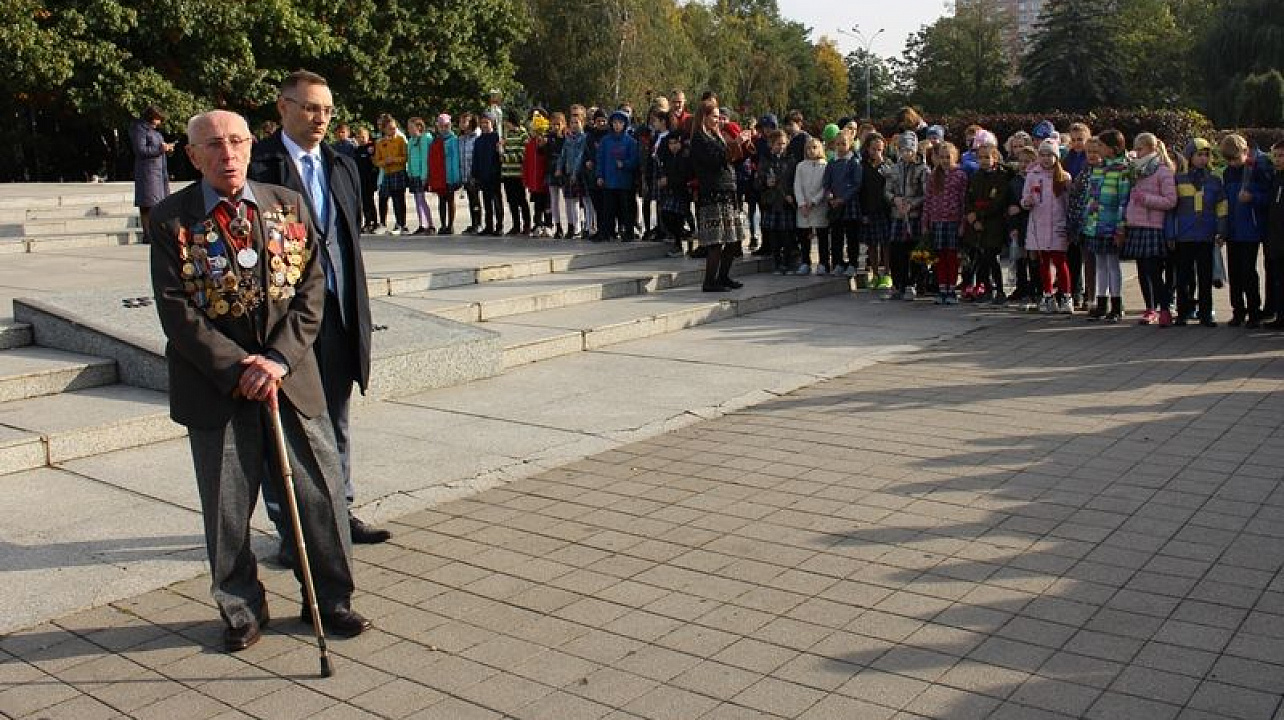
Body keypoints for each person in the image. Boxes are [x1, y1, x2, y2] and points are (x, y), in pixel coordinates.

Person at [150, 109, 370, 652]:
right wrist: (239, 367)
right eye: (213, 146)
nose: (228, 155)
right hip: (216, 387)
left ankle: (331, 598)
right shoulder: (170, 219)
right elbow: (175, 310)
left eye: (236, 142)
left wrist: (276, 359)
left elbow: (312, 289)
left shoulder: (285, 204)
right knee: (227, 508)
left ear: (251, 146)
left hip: (291, 378)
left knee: (320, 496)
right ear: (192, 155)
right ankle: (242, 608)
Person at [249, 69, 391, 567]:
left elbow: (347, 243)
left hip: (339, 312)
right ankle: (291, 529)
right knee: (285, 430)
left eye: (328, 111)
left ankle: (340, 509)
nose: (321, 119)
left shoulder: (341, 163)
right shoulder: (259, 166)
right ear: (283, 107)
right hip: (285, 321)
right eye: (311, 108)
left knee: (337, 418)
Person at [688, 95, 752, 291]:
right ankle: (710, 281)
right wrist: (735, 144)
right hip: (713, 194)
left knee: (734, 241)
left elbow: (731, 159)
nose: (718, 120)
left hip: (729, 191)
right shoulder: (699, 138)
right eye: (714, 116)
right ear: (704, 117)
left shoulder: (717, 135)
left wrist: (742, 145)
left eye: (719, 116)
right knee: (716, 241)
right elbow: (714, 160)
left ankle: (723, 277)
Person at [1168, 138, 1226, 327]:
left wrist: (1221, 229)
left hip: (1206, 234)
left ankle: (1206, 312)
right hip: (1184, 235)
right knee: (1183, 276)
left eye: (1206, 155)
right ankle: (1183, 311)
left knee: (1205, 276)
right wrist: (1170, 233)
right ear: (1189, 156)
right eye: (1199, 154)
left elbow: (1221, 206)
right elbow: (1171, 209)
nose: (1203, 158)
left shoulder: (1215, 179)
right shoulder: (1179, 178)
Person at [1121, 132, 1178, 325]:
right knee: (1142, 271)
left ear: (1152, 149)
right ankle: (1149, 307)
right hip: (1136, 224)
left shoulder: (1163, 171)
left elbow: (1171, 201)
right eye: (1135, 149)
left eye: (1140, 149)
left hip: (1153, 226)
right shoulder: (1135, 170)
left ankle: (1165, 308)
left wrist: (1146, 200)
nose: (1137, 153)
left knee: (1154, 271)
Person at [1220, 133, 1270, 328]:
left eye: (1235, 158)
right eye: (1228, 160)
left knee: (1248, 272)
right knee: (1234, 273)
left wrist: (1253, 197)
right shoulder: (1227, 173)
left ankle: (1254, 311)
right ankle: (1238, 310)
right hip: (1233, 229)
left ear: (1245, 152)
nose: (1232, 163)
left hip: (1250, 229)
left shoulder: (1256, 170)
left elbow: (1267, 196)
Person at [1083, 130, 1132, 323]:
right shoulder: (1098, 169)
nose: (1099, 150)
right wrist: (1087, 218)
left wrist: (1120, 226)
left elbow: (1123, 200)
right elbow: (1090, 196)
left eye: (1102, 146)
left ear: (1113, 148)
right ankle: (1101, 302)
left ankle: (1117, 304)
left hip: (1111, 224)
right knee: (1100, 264)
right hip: (1095, 224)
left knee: (1113, 265)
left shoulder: (1122, 170)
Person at [1022, 139, 1074, 314]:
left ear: (1056, 157)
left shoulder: (1064, 177)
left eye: (1049, 155)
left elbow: (1068, 204)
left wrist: (1068, 224)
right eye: (1042, 155)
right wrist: (1026, 202)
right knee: (1044, 261)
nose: (1045, 159)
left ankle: (1066, 296)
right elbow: (1025, 198)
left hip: (1058, 224)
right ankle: (1048, 295)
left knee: (1060, 261)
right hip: (1039, 224)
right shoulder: (1032, 175)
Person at [963, 142, 1011, 304]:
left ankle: (1000, 290)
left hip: (994, 224)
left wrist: (980, 215)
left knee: (991, 258)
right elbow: (969, 197)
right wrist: (972, 216)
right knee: (981, 258)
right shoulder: (976, 177)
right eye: (980, 157)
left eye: (987, 157)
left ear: (995, 158)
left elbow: (998, 202)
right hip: (977, 225)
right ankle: (986, 289)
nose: (983, 161)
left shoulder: (1001, 177)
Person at [923, 142, 968, 304]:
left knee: (952, 256)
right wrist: (925, 223)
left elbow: (964, 201)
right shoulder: (933, 176)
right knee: (940, 257)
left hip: (953, 221)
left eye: (948, 157)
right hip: (937, 221)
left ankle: (951, 288)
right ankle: (942, 288)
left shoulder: (960, 175)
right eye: (941, 157)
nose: (945, 160)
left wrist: (963, 222)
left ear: (955, 157)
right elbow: (928, 201)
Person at [886, 132, 927, 300]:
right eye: (903, 150)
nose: (906, 153)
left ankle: (915, 284)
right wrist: (894, 199)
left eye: (909, 150)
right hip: (897, 216)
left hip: (914, 217)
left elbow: (926, 194)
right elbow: (887, 190)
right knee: (897, 252)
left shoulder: (923, 169)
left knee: (916, 254)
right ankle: (898, 285)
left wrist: (911, 204)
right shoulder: (894, 168)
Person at [755, 129, 796, 273]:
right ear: (771, 144)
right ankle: (777, 262)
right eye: (778, 144)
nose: (781, 146)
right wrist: (766, 183)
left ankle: (788, 262)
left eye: (784, 143)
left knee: (787, 235)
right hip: (771, 202)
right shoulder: (765, 160)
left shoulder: (791, 160)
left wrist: (792, 195)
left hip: (786, 202)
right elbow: (757, 182)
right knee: (774, 236)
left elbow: (794, 181)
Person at [130, 106, 173, 244]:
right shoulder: (140, 129)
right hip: (147, 172)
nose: (160, 122)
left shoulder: (155, 132)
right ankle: (148, 235)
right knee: (148, 204)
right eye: (158, 118)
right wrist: (160, 149)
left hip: (159, 171)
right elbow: (141, 150)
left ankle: (156, 233)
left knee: (159, 202)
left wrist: (167, 149)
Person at [820, 134, 861, 277]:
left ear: (850, 145)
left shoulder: (853, 162)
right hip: (835, 204)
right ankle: (837, 262)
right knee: (836, 235)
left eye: (843, 144)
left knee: (851, 236)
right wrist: (829, 195)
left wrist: (843, 198)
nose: (840, 147)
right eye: (837, 144)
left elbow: (856, 184)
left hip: (849, 204)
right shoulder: (832, 163)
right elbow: (826, 182)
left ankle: (853, 263)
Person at [595, 110, 640, 241]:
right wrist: (600, 176)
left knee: (626, 209)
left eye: (620, 122)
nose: (617, 125)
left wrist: (625, 164)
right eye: (615, 122)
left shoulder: (631, 142)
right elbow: (600, 159)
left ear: (625, 124)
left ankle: (628, 232)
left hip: (625, 182)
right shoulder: (605, 141)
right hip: (609, 181)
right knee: (608, 209)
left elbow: (634, 160)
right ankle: (607, 232)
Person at [859, 133, 895, 295]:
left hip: (885, 211)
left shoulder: (888, 165)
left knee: (886, 244)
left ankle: (887, 274)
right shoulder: (863, 166)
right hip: (869, 210)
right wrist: (863, 212)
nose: (877, 153)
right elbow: (861, 191)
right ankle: (874, 273)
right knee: (872, 244)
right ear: (867, 149)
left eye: (880, 149)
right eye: (873, 149)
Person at [793, 137, 828, 277]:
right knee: (804, 236)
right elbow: (797, 185)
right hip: (803, 207)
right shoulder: (801, 166)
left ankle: (823, 263)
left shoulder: (825, 165)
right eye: (808, 148)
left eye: (814, 147)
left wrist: (814, 201)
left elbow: (825, 186)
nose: (811, 151)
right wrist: (801, 203)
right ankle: (805, 262)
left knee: (822, 235)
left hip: (819, 206)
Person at [374, 114, 409, 234]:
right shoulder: (380, 142)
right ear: (384, 129)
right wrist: (384, 162)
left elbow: (405, 157)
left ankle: (401, 224)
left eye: (394, 128)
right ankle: (382, 223)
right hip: (386, 174)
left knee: (398, 199)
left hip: (398, 172)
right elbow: (377, 160)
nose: (393, 130)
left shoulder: (400, 139)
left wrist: (394, 159)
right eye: (390, 128)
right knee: (383, 198)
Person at [428, 113, 461, 235]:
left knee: (450, 199)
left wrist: (456, 177)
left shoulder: (454, 140)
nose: (444, 128)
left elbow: (455, 159)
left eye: (446, 126)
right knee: (441, 200)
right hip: (440, 175)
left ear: (450, 125)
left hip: (451, 175)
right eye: (441, 126)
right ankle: (442, 224)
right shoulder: (436, 140)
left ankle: (450, 225)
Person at [1264, 141, 1284, 330]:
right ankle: (1280, 316)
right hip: (1276, 239)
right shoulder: (1276, 178)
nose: (1277, 160)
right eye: (1275, 156)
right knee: (1277, 279)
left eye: (1281, 156)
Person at [473, 115, 503, 236]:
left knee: (497, 202)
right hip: (483, 175)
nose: (484, 125)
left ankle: (499, 226)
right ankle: (488, 226)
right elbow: (476, 159)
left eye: (487, 122)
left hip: (494, 175)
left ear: (492, 123)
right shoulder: (478, 140)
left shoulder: (497, 137)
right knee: (486, 202)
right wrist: (474, 175)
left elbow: (500, 156)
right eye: (482, 122)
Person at [405, 117, 435, 235]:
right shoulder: (411, 141)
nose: (409, 130)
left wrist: (424, 175)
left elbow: (425, 158)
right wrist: (410, 172)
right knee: (417, 200)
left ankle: (430, 225)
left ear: (419, 127)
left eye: (411, 128)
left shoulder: (424, 139)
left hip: (421, 174)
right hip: (414, 174)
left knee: (421, 199)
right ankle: (422, 224)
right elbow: (409, 158)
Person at [501, 117, 531, 235]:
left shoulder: (523, 135)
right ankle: (516, 225)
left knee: (521, 200)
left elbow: (523, 154)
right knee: (511, 201)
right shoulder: (507, 135)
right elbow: (504, 150)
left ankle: (527, 225)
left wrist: (505, 158)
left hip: (518, 173)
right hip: (507, 173)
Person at [457, 113, 482, 234]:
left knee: (476, 200)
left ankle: (479, 224)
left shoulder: (477, 136)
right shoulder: (461, 138)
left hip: (475, 173)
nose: (461, 124)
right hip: (465, 173)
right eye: (460, 122)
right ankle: (474, 223)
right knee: (471, 200)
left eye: (464, 121)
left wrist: (475, 173)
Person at [353, 126, 379, 233]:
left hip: (370, 180)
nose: (361, 139)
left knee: (370, 201)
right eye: (359, 137)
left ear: (368, 137)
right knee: (363, 202)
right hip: (360, 180)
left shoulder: (371, 148)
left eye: (363, 137)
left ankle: (374, 222)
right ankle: (367, 222)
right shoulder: (357, 150)